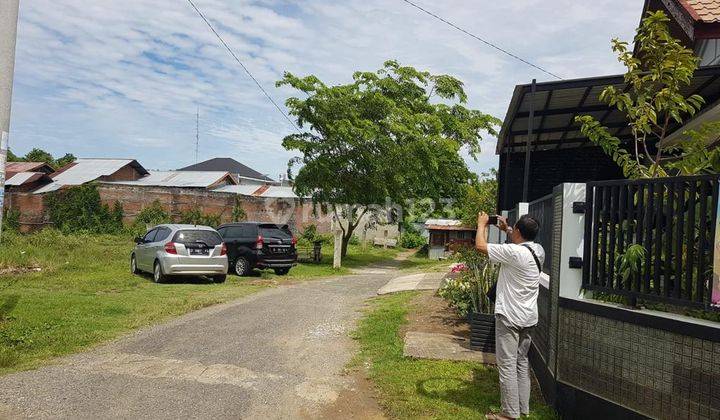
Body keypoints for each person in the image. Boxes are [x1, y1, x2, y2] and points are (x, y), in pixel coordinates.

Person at [475, 211, 544, 420]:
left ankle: (509, 415)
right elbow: (518, 238)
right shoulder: (538, 250)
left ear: (520, 232)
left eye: (515, 229)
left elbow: (480, 246)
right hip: (529, 318)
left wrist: (482, 224)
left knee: (506, 366)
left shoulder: (515, 253)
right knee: (522, 363)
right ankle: (523, 409)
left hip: (510, 318)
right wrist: (506, 228)